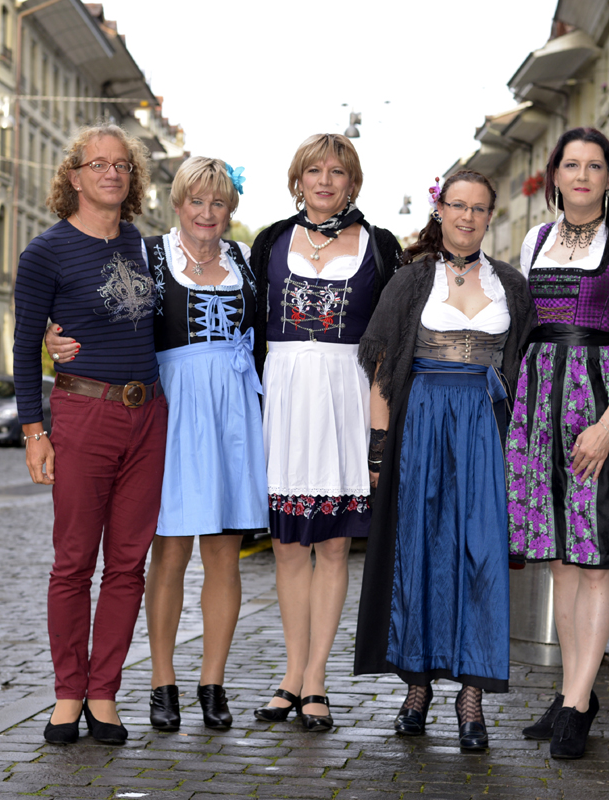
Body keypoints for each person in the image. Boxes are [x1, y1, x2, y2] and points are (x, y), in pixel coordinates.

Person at [45, 157, 264, 733]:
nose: (207, 213)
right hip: (170, 407)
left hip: (232, 414)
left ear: (231, 208)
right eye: (197, 201)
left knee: (224, 553)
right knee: (168, 550)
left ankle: (212, 682)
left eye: (219, 202)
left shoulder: (245, 259)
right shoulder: (147, 254)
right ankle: (161, 682)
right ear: (177, 203)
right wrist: (53, 333)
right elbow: (97, 303)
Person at [354, 170, 536, 752]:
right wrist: (378, 450)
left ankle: (471, 696)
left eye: (479, 208)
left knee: (480, 555)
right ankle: (417, 687)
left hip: (484, 428)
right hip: (421, 425)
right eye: (458, 205)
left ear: (490, 217)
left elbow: (524, 370)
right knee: (421, 552)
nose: (467, 217)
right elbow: (382, 370)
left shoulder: (510, 284)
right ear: (440, 210)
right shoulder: (411, 281)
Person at [506, 128, 609, 759]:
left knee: (595, 558)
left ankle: (576, 704)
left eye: (593, 166)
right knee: (562, 559)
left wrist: (607, 424)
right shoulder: (536, 240)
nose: (581, 175)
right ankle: (572, 691)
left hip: (602, 398)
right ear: (555, 175)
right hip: (541, 402)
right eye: (570, 164)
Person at [13, 123, 167, 746]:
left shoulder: (146, 248)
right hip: (83, 413)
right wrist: (34, 431)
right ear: (73, 176)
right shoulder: (45, 252)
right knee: (74, 561)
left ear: (133, 178)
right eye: (97, 163)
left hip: (148, 415)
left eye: (121, 164)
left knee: (128, 564)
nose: (111, 173)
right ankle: (67, 693)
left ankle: (104, 693)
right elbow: (25, 347)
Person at [248, 133, 402, 730]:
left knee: (335, 545)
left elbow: (392, 341)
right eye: (314, 170)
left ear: (352, 182)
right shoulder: (269, 242)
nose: (324, 180)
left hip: (347, 398)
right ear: (298, 179)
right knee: (288, 546)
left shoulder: (380, 247)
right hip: (285, 399)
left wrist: (381, 432)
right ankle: (290, 675)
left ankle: (317, 679)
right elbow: (244, 324)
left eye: (337, 171)